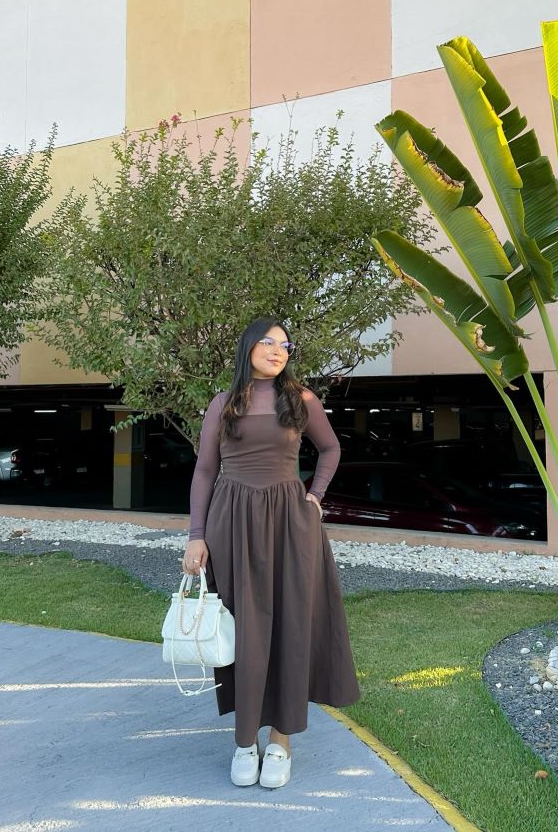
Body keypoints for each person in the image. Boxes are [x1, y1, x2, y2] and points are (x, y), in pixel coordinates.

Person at [181, 316, 360, 789]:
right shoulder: (223, 404)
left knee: (289, 626)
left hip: (289, 524)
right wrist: (196, 535)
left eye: (285, 344)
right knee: (242, 629)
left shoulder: (301, 400)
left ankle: (281, 739)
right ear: (247, 348)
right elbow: (203, 472)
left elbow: (331, 449)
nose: (278, 350)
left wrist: (315, 496)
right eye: (268, 342)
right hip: (232, 525)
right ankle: (245, 740)